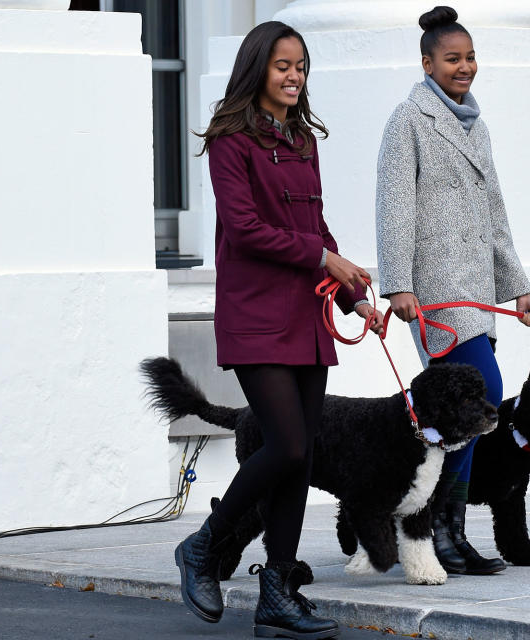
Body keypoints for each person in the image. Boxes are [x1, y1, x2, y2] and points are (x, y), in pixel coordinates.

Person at [176, 21, 383, 639]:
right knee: (287, 445)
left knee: (300, 459)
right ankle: (204, 545)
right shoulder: (229, 141)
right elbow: (244, 230)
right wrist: (324, 261)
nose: (294, 77)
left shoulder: (301, 139)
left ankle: (278, 592)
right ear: (257, 69)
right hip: (255, 316)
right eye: (283, 66)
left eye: (301, 67)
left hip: (307, 317)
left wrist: (355, 299)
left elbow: (318, 230)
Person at [376, 6, 530, 576]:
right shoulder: (409, 119)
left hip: (478, 292)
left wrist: (518, 288)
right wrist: (397, 284)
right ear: (427, 64)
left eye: (470, 57)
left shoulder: (478, 123)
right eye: (453, 58)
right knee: (482, 395)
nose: (465, 67)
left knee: (463, 408)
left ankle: (448, 531)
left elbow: (496, 214)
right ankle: (435, 530)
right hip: (435, 293)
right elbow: (394, 206)